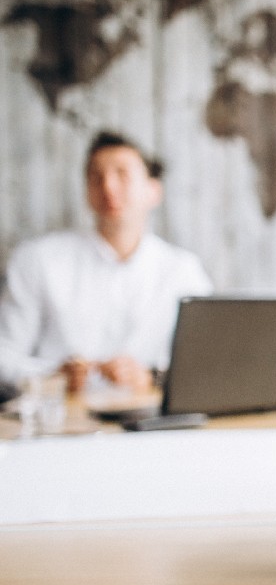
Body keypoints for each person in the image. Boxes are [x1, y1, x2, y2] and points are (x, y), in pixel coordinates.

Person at [0, 131, 213, 396]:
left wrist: (151, 377)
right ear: (87, 192)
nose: (108, 187)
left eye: (122, 174)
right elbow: (4, 355)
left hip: (151, 425)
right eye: (96, 177)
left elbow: (208, 363)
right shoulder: (37, 260)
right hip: (59, 424)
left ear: (153, 190)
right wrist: (52, 376)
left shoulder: (183, 272)